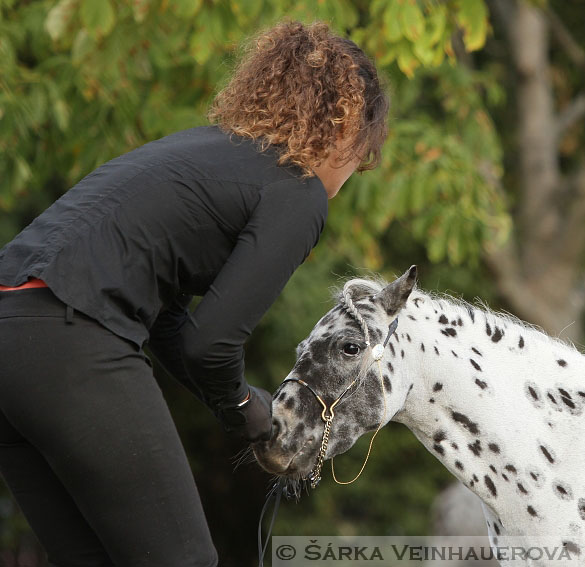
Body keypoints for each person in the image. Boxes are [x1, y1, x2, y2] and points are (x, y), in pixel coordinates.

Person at [0, 20, 388, 566]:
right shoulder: (297, 192)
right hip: (73, 339)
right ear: (345, 130)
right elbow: (213, 343)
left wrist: (245, 405)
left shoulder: (199, 152)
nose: (352, 174)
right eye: (361, 156)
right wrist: (241, 406)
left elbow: (168, 321)